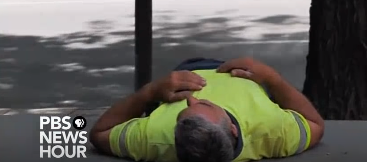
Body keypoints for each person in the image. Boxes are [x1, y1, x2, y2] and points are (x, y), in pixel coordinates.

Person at [89, 57, 324, 162]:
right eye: (203, 104)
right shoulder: (272, 130)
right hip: (238, 71)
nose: (192, 100)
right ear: (233, 129)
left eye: (180, 114)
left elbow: (100, 133)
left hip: (188, 69)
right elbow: (316, 125)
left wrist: (150, 92)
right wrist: (273, 79)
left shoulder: (155, 137)